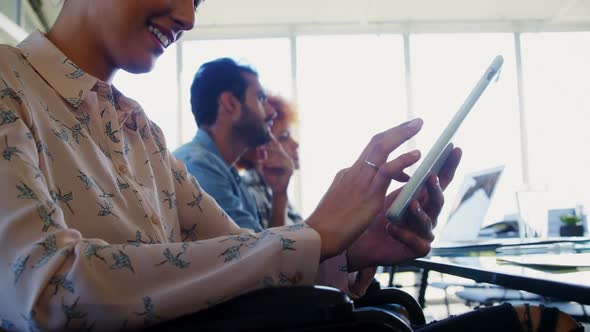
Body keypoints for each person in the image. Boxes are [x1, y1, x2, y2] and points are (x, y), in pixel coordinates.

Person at [0, 1, 580, 331]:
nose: (188, 15)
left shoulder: (139, 131)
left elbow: (247, 261)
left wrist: (348, 248)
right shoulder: (10, 83)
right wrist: (314, 235)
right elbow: (46, 289)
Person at [174, 58, 297, 232]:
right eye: (260, 98)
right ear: (230, 103)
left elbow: (270, 252)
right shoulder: (198, 165)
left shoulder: (225, 171)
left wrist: (279, 193)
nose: (271, 112)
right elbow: (256, 255)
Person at [237, 93, 303, 228]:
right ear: (260, 150)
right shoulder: (252, 192)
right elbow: (273, 246)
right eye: (284, 137)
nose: (296, 144)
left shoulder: (270, 189)